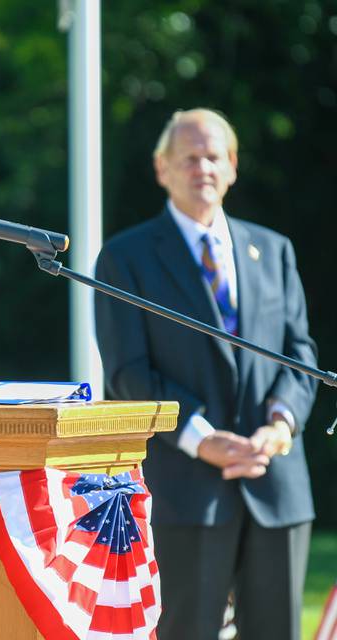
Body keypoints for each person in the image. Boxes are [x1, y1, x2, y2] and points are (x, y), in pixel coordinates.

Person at [94, 108, 317, 640]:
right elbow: (127, 373)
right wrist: (202, 439)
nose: (203, 168)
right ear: (161, 168)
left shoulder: (275, 250)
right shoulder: (125, 259)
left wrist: (279, 429)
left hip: (276, 482)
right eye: (188, 158)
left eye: (213, 156)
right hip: (186, 488)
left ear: (233, 165)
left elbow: (299, 353)